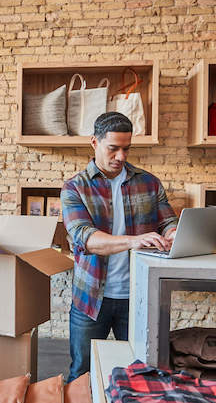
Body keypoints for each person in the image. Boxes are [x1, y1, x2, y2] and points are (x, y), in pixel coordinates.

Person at [61, 112, 178, 382]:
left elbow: (167, 220)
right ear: (94, 142)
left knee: (142, 373)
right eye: (113, 148)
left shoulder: (149, 183)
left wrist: (173, 234)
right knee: (82, 374)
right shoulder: (74, 188)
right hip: (91, 299)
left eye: (126, 148)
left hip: (138, 296)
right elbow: (85, 238)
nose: (121, 156)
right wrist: (134, 241)